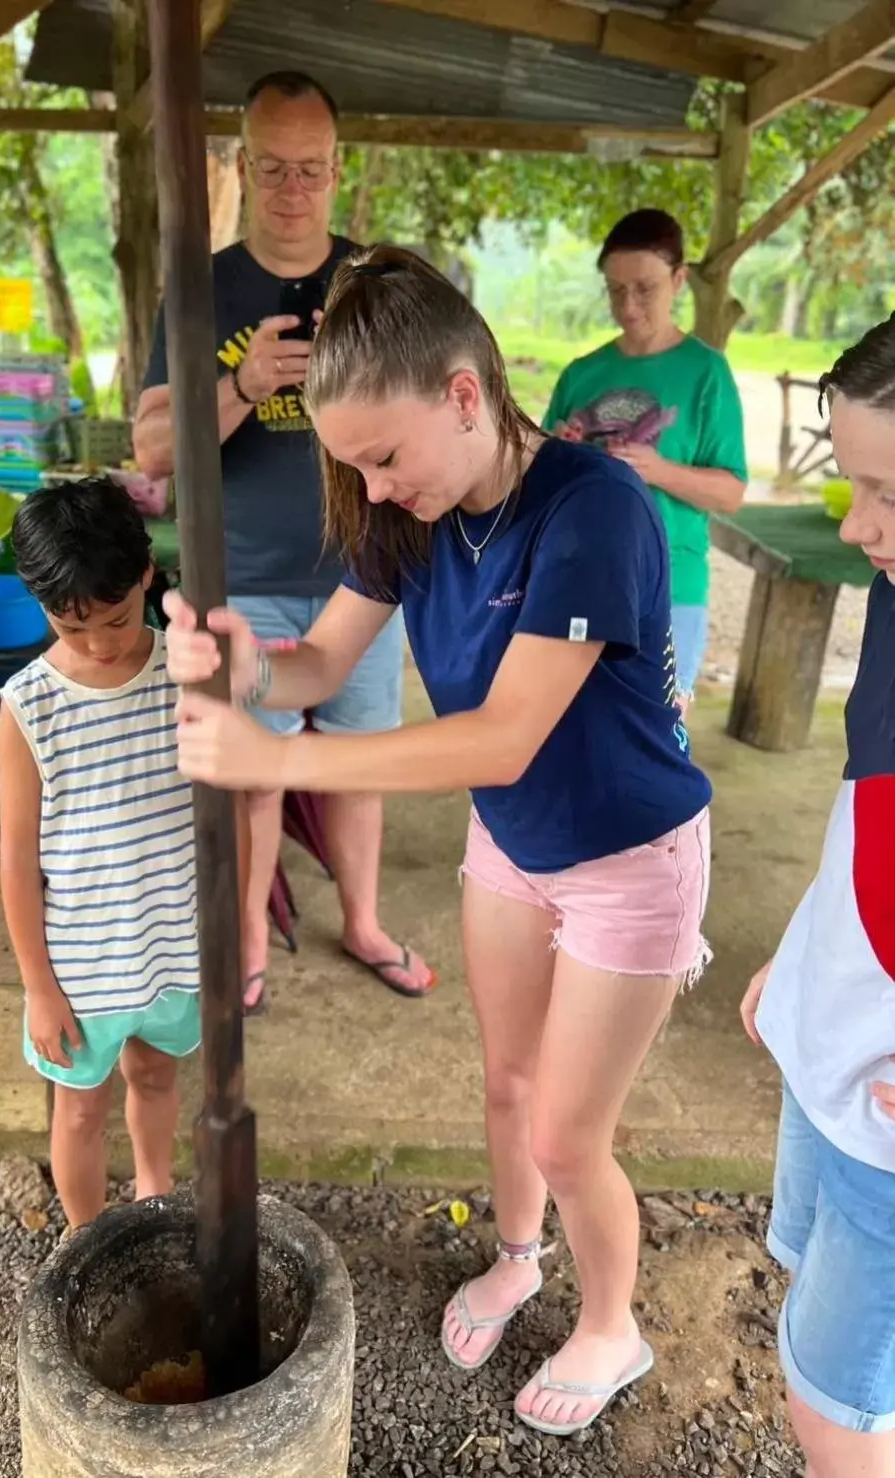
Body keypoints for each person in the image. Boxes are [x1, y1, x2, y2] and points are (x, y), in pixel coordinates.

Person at [164, 244, 714, 1435]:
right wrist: (242, 660)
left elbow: (501, 736)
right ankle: (518, 1254)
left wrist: (281, 758)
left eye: (382, 455)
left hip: (628, 855)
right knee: (508, 1080)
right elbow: (316, 660)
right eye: (350, 461)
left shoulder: (591, 508)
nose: (370, 484)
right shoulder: (405, 513)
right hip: (515, 843)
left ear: (465, 393)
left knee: (571, 1128)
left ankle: (611, 1321)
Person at [133, 70, 431, 1013]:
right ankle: (251, 940)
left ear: (340, 170)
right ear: (241, 166)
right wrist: (243, 383)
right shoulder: (202, 286)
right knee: (253, 779)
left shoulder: (375, 280)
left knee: (360, 768)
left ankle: (366, 924)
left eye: (311, 169)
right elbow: (149, 447)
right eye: (274, 169)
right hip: (243, 578)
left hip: (365, 576)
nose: (293, 189)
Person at [740, 315, 895, 1478]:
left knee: (835, 1406)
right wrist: (802, 951)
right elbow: (866, 811)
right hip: (832, 1035)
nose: (854, 527)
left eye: (886, 489)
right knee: (805, 1293)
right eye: (852, 483)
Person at [0, 477, 199, 1230]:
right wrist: (38, 987)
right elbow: (18, 862)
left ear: (147, 572)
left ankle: (154, 1195)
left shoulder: (188, 669)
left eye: (115, 621)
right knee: (79, 1111)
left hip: (172, 943)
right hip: (79, 966)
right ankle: (84, 1243)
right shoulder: (28, 706)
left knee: (154, 1074)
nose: (100, 644)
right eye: (71, 627)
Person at [543, 209, 747, 710]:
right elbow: (540, 474)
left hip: (670, 582)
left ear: (679, 280)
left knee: (656, 728)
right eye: (615, 290)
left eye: (645, 288)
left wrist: (657, 470)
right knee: (575, 722)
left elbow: (731, 492)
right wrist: (560, 449)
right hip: (581, 573)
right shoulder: (582, 373)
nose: (628, 306)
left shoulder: (706, 373)